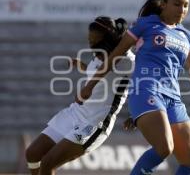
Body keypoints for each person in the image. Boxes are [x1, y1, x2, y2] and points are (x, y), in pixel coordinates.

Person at [76, 0, 190, 175]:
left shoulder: (186, 36)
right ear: (164, 4)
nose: (182, 9)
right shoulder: (146, 24)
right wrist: (90, 84)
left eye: (186, 5)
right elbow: (115, 55)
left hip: (173, 99)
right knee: (164, 147)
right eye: (177, 4)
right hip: (147, 91)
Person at [25, 16, 135, 175]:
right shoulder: (98, 54)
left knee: (48, 163)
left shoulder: (126, 60)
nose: (90, 42)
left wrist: (137, 114)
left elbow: (142, 84)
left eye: (94, 39)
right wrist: (82, 66)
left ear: (108, 39)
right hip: (75, 112)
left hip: (95, 121)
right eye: (89, 38)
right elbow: (98, 73)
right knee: (33, 153)